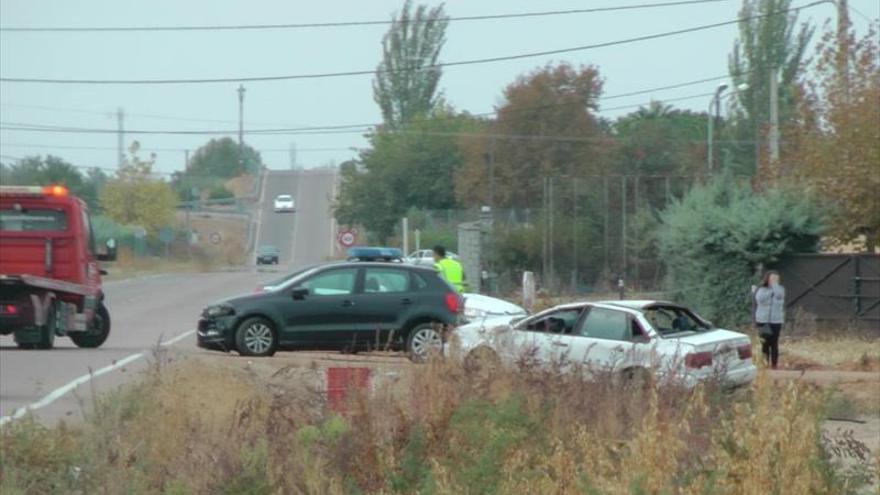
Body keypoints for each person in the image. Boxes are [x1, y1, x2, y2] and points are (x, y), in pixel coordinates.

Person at [753, 270, 785, 369]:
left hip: (776, 321)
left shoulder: (780, 289)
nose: (774, 280)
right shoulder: (762, 289)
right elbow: (760, 299)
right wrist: (770, 292)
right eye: (772, 278)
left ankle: (774, 365)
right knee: (765, 343)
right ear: (768, 279)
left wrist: (774, 286)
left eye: (776, 278)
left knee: (774, 344)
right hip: (763, 321)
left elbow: (779, 296)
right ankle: (765, 364)